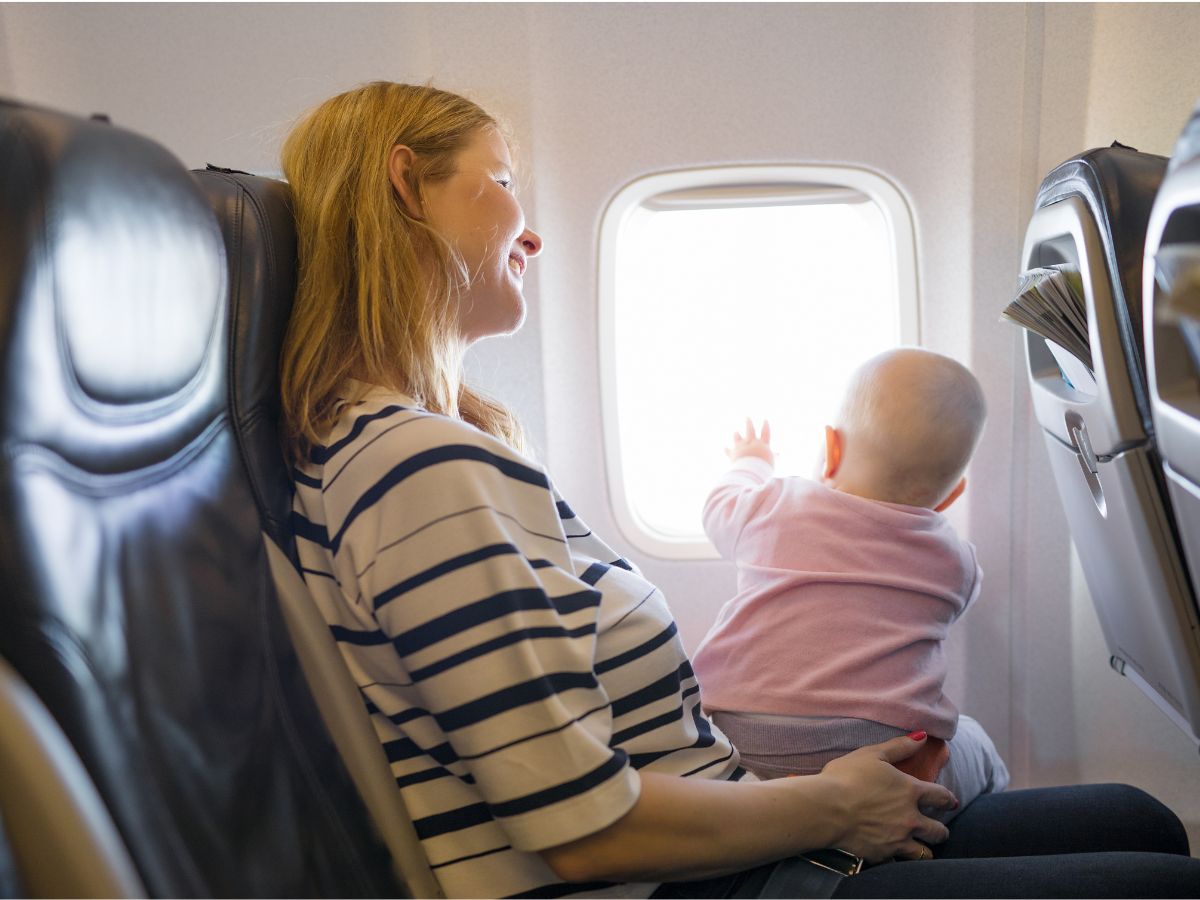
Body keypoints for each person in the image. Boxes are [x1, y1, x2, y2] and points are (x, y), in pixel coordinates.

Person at [279, 81, 1200, 899]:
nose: (533, 229)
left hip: (727, 837)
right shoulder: (419, 468)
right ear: (407, 185)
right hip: (685, 881)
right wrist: (829, 807)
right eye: (505, 180)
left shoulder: (417, 450)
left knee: (1138, 820)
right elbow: (579, 829)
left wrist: (810, 802)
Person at [692, 351, 1008, 820]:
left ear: (831, 449)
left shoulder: (776, 504)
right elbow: (961, 599)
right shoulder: (956, 560)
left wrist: (751, 461)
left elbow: (718, 507)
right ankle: (986, 827)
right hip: (889, 762)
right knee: (977, 743)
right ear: (953, 494)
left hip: (740, 749)